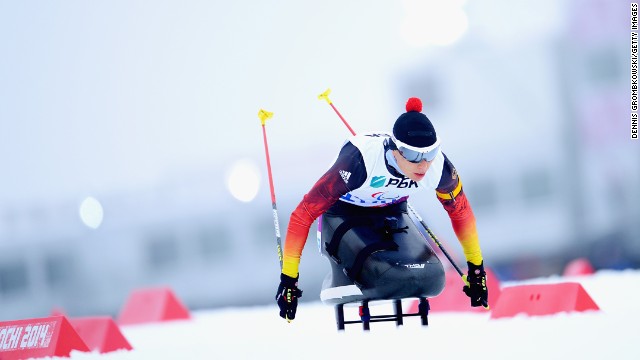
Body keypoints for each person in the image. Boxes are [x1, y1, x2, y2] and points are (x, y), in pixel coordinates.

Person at [275, 97, 488, 322]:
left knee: (432, 279)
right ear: (395, 149)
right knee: (384, 277)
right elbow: (303, 213)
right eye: (415, 156)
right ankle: (342, 277)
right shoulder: (359, 161)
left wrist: (477, 271)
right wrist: (289, 279)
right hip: (345, 212)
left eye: (430, 153)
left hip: (392, 211)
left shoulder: (438, 168)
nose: (423, 164)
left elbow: (461, 212)